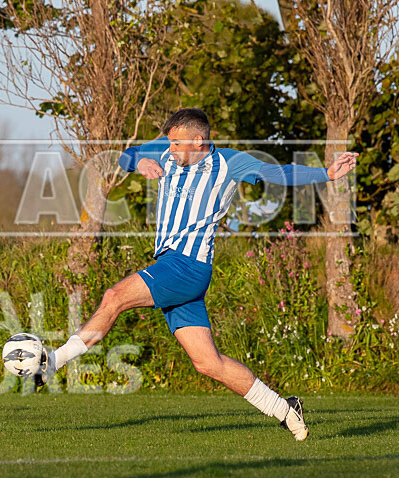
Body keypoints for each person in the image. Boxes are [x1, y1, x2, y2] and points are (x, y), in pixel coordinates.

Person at [42, 108, 358, 441]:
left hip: (187, 266)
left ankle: (52, 362)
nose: (170, 149)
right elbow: (127, 155)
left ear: (198, 139)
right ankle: (284, 409)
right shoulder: (166, 151)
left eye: (177, 143)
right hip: (173, 265)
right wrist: (138, 163)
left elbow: (277, 172)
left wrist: (326, 173)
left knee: (113, 297)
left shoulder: (229, 163)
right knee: (209, 364)